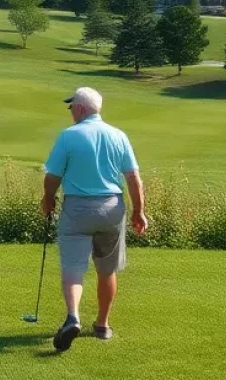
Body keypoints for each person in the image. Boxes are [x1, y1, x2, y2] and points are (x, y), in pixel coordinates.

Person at [40, 86, 146, 352]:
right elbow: (133, 178)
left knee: (74, 267)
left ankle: (73, 316)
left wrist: (48, 199)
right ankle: (102, 325)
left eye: (72, 107)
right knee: (106, 269)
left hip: (77, 209)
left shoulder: (69, 136)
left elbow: (52, 176)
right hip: (111, 208)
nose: (70, 112)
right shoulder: (118, 135)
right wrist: (138, 211)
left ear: (80, 108)